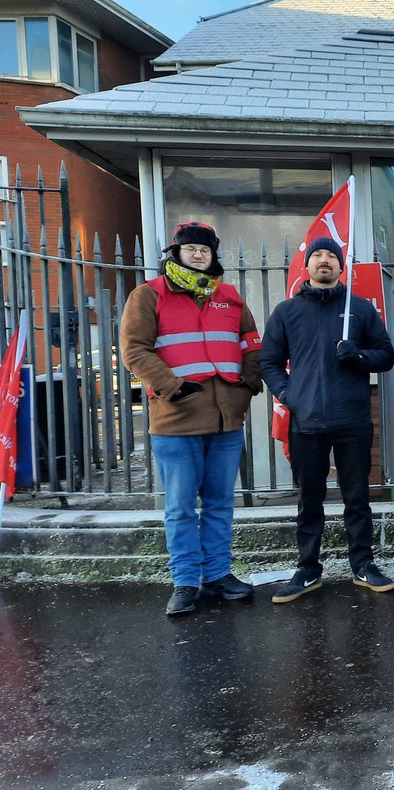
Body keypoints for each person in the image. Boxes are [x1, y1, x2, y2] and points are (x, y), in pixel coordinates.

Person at [120, 222, 263, 617]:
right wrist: (170, 385)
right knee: (181, 508)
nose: (199, 254)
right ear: (176, 253)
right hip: (175, 419)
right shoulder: (148, 295)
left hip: (225, 419)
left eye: (205, 249)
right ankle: (186, 581)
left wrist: (247, 384)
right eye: (191, 249)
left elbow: (251, 342)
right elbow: (134, 348)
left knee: (220, 503)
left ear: (213, 254)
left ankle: (217, 574)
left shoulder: (229, 297)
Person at [260, 237, 394, 603]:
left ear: (341, 266)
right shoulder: (286, 312)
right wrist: (289, 395)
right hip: (306, 420)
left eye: (331, 256)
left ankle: (363, 564)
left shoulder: (360, 310)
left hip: (352, 419)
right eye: (317, 255)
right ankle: (307, 569)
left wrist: (359, 357)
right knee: (310, 498)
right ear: (307, 265)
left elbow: (386, 355)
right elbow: (269, 362)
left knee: (357, 497)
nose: (325, 261)